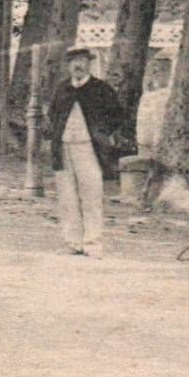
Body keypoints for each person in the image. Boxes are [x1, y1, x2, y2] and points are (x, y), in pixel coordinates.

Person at [46, 47, 127, 259]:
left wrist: (101, 133)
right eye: (73, 61)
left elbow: (117, 115)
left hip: (89, 149)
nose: (77, 65)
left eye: (81, 60)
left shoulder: (101, 89)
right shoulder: (62, 88)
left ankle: (92, 244)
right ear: (68, 65)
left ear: (89, 63)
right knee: (67, 198)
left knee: (91, 196)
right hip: (63, 148)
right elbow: (52, 114)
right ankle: (72, 242)